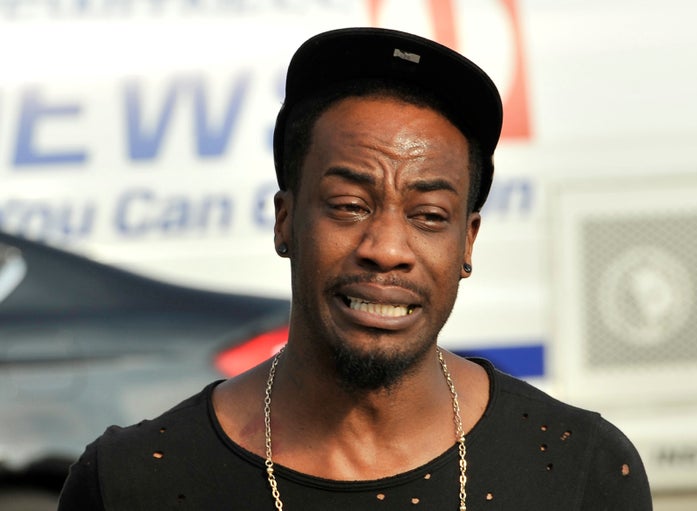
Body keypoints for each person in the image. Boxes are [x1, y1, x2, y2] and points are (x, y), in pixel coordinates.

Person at [58, 27, 653, 510]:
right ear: (285, 221)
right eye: (349, 205)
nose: (386, 247)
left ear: (467, 242)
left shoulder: (580, 471)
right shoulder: (134, 484)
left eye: (428, 214)